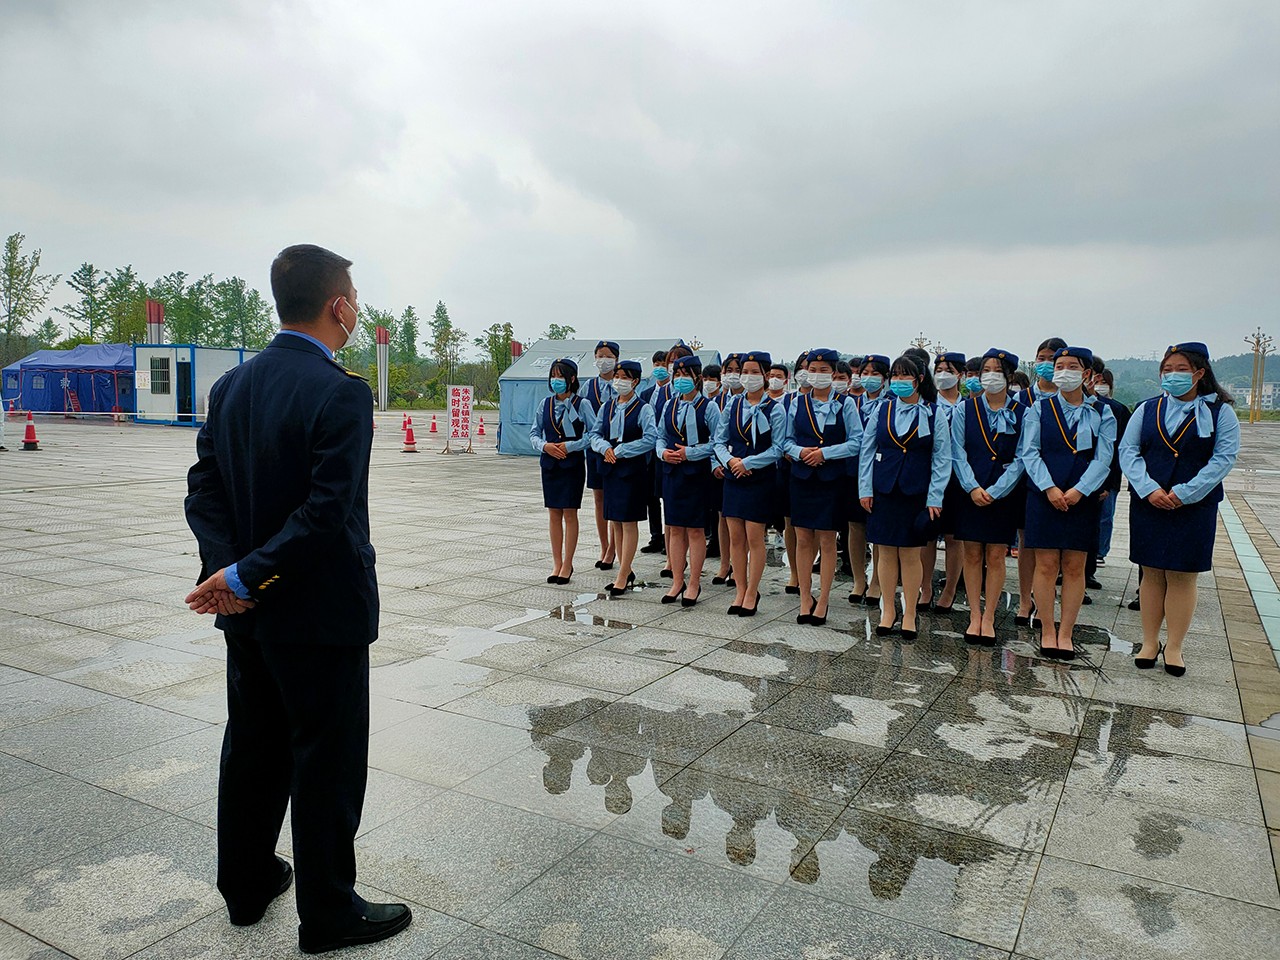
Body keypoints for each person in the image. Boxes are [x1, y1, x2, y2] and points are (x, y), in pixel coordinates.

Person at [184, 244, 411, 954]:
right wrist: (245, 576)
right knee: (325, 759)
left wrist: (227, 574)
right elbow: (326, 513)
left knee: (251, 747)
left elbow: (206, 489)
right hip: (318, 614)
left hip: (246, 614)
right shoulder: (340, 392)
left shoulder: (234, 387)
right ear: (339, 305)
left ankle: (246, 886)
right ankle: (329, 912)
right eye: (354, 297)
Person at [1119, 343, 1239, 676]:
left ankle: (1174, 646)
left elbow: (1223, 459)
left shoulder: (1220, 413)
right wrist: (1149, 488)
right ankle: (1148, 641)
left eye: (1181, 369)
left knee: (1183, 576)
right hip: (1150, 502)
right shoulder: (1146, 409)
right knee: (1152, 572)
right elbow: (1128, 452)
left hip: (1194, 507)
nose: (1172, 375)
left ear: (1200, 373)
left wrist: (1185, 493)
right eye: (1167, 369)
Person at [1019, 346, 1116, 660]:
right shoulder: (1040, 409)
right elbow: (1029, 452)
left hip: (1081, 500)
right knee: (1046, 566)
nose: (1063, 372)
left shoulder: (1102, 411)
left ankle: (1066, 632)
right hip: (1044, 497)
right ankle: (1047, 629)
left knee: (1075, 568)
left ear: (1086, 373)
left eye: (1071, 366)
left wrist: (1079, 491)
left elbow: (1104, 458)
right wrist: (1049, 488)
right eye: (1058, 366)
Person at [859, 355, 952, 640]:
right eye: (895, 376)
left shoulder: (934, 413)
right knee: (885, 552)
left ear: (920, 380)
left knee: (911, 555)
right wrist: (865, 488)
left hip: (916, 492)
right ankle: (888, 610)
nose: (899, 381)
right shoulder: (882, 410)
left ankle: (910, 612)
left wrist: (935, 496)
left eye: (905, 376)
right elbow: (867, 449)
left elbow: (941, 457)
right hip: (884, 490)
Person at [950, 349, 1026, 644]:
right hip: (970, 492)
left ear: (1009, 376)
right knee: (971, 553)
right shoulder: (965, 409)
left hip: (1003, 494)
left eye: (997, 370)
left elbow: (1022, 457)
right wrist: (971, 486)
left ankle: (990, 616)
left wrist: (996, 491)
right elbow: (957, 451)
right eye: (986, 370)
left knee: (996, 555)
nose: (990, 375)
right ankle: (973, 615)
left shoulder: (1023, 413)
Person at [783, 348, 863, 625]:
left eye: (823, 371)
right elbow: (786, 440)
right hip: (802, 478)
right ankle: (806, 597)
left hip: (831, 480)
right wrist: (801, 451)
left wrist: (825, 453)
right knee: (803, 538)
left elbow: (857, 441)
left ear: (833, 373)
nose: (817, 376)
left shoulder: (845, 404)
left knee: (828, 540)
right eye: (812, 371)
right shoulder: (797, 402)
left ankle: (824, 599)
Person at [714, 350, 785, 617]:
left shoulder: (775, 408)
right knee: (735, 538)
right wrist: (730, 461)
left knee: (755, 537)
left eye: (755, 372)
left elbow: (778, 448)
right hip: (734, 476)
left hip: (760, 479)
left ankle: (753, 591)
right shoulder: (732, 405)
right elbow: (719, 441)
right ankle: (740, 589)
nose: (748, 377)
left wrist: (749, 463)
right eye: (745, 372)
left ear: (766, 376)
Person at [656, 355, 721, 607]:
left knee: (694, 530)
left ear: (697, 376)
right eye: (678, 374)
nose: (681, 379)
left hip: (696, 474)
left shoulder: (709, 407)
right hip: (672, 472)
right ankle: (676, 580)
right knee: (674, 529)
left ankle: (694, 582)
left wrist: (690, 453)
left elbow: (717, 442)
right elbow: (660, 435)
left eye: (686, 374)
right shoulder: (670, 405)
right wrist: (663, 453)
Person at [589, 360, 659, 595]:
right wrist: (603, 447)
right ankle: (624, 569)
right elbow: (595, 433)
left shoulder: (643, 408)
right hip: (610, 470)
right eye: (617, 376)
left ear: (635, 381)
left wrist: (620, 451)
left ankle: (623, 573)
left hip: (631, 472)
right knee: (615, 521)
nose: (619, 380)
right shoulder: (607, 407)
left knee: (628, 522)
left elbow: (650, 438)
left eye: (624, 377)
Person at [532, 358, 595, 585]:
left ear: (572, 379)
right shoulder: (545, 404)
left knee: (570, 513)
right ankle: (556, 562)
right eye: (553, 376)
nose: (556, 381)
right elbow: (534, 434)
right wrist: (545, 446)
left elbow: (593, 434)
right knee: (554, 514)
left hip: (572, 465)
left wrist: (571, 446)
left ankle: (568, 563)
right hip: (550, 465)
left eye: (561, 376)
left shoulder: (582, 404)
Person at [925, 351, 966, 612]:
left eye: (948, 370)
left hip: (958, 480)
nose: (942, 375)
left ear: (959, 374)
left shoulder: (969, 406)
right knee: (927, 536)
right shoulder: (929, 405)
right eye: (938, 369)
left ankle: (950, 588)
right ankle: (925, 586)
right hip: (930, 477)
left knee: (953, 537)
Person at [579, 340, 620, 570]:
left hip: (616, 451)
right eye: (599, 355)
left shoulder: (622, 384)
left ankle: (614, 547)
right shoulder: (588, 387)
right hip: (594, 450)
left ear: (616, 358)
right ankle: (604, 545)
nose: (603, 360)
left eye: (608, 356)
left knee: (613, 497)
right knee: (598, 499)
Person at [1087, 364, 1130, 575]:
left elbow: (1119, 449)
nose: (1099, 385)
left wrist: (1109, 482)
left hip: (1108, 476)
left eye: (1105, 382)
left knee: (1105, 517)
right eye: (1097, 380)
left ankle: (1099, 554)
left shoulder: (1116, 410)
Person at [710, 353, 744, 585]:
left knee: (746, 523)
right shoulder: (717, 402)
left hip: (746, 468)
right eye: (727, 370)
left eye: (736, 370)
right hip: (723, 467)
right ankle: (725, 564)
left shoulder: (753, 400)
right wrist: (716, 463)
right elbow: (714, 437)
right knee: (723, 517)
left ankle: (743, 565)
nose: (732, 374)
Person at [639, 349, 672, 558]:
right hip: (648, 453)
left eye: (663, 364)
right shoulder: (646, 393)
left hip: (666, 451)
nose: (660, 368)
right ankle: (655, 535)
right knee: (651, 496)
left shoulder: (674, 393)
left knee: (666, 496)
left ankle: (670, 538)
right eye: (656, 364)